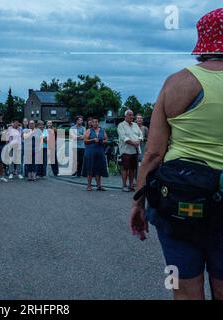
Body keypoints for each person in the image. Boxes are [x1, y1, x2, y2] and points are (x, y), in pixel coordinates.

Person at [130, 8, 223, 300]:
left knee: (184, 290)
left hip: (177, 200)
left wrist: (138, 203)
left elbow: (154, 154)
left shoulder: (175, 83)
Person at [117, 110, 143, 192]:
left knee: (133, 169)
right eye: (130, 115)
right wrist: (133, 143)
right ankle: (124, 185)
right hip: (126, 151)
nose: (132, 116)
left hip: (135, 150)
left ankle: (131, 185)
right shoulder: (121, 125)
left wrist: (139, 141)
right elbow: (123, 137)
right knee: (125, 169)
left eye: (132, 115)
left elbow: (140, 134)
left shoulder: (135, 125)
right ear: (125, 116)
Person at [82, 117, 108, 191]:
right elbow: (85, 140)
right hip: (90, 152)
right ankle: (89, 185)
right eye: (93, 122)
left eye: (96, 122)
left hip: (100, 151)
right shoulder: (89, 130)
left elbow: (106, 140)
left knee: (98, 168)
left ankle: (99, 185)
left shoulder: (102, 130)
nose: (95, 123)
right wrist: (93, 140)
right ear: (91, 123)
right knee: (90, 168)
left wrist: (102, 141)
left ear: (98, 123)